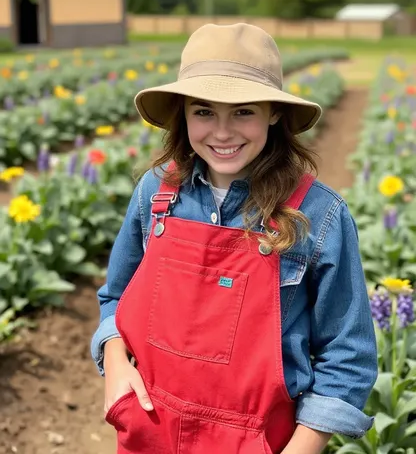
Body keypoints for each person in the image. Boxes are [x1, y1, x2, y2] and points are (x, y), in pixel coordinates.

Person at [91, 23, 378, 454]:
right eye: (203, 112)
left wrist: (303, 447)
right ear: (182, 113)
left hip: (260, 440)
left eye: (243, 111)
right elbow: (116, 296)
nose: (222, 133)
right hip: (150, 429)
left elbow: (348, 355)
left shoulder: (318, 215)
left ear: (274, 113)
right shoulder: (156, 194)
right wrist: (114, 361)